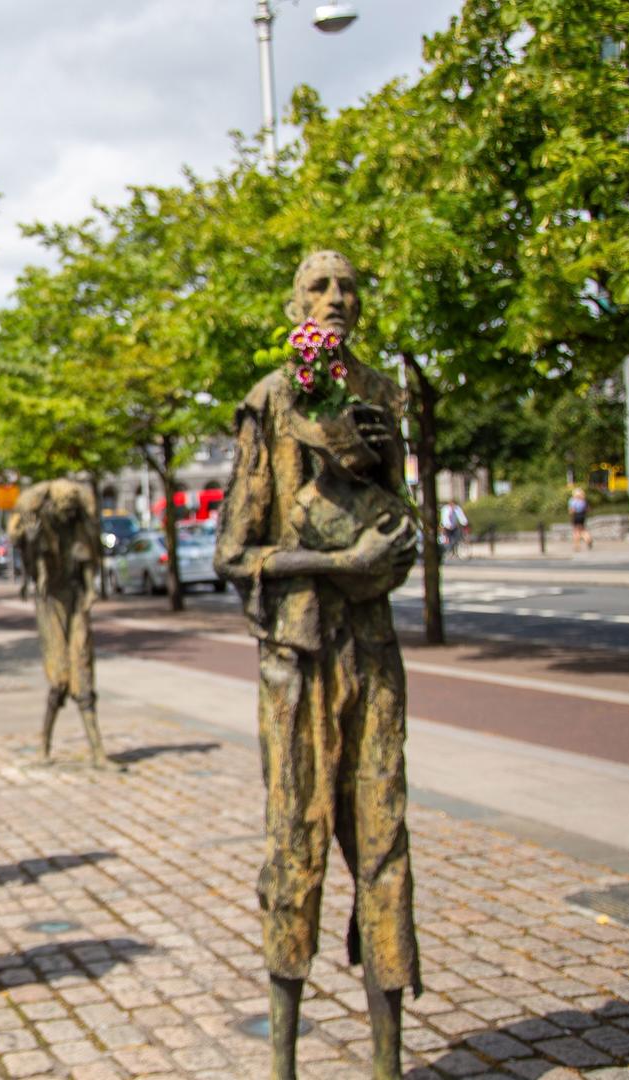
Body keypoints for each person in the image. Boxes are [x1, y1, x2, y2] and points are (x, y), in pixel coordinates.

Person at [215, 251, 421, 1080]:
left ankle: (387, 1066)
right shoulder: (270, 400)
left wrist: (387, 547)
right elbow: (236, 551)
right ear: (294, 301)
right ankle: (283, 1069)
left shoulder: (382, 396)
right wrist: (339, 563)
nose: (337, 299)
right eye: (319, 287)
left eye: (348, 288)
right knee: (293, 845)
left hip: (372, 655)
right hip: (295, 662)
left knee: (384, 844)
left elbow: (403, 535)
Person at [9, 478, 116, 768]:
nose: (68, 512)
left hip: (76, 601)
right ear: (53, 506)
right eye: (63, 507)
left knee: (82, 671)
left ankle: (98, 751)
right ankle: (44, 744)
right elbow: (31, 565)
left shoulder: (79, 529)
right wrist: (30, 544)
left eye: (72, 507)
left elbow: (87, 563)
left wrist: (90, 593)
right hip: (50, 603)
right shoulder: (40, 528)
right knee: (58, 678)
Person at [569, 486, 592, 551]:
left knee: (576, 531)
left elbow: (572, 511)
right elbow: (588, 509)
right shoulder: (584, 501)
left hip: (576, 516)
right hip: (582, 516)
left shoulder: (572, 500)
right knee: (583, 529)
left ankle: (577, 546)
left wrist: (571, 515)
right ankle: (588, 539)